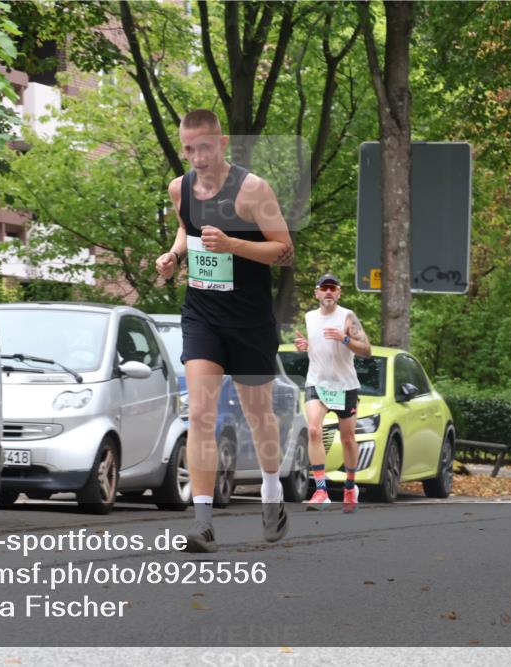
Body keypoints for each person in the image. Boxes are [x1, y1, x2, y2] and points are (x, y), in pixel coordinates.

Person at [155, 109, 295, 552]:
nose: (196, 157)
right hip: (202, 314)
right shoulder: (180, 189)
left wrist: (233, 244)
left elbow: (286, 252)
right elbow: (186, 231)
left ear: (224, 143)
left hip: (250, 321)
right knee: (200, 412)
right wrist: (174, 256)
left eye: (205, 147)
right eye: (189, 148)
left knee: (259, 417)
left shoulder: (254, 190)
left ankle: (271, 491)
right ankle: (202, 522)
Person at [293, 273, 372, 513]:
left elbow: (366, 350)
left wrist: (345, 338)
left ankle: (350, 486)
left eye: (333, 288)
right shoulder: (309, 317)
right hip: (317, 382)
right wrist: (307, 346)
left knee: (347, 438)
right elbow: (319, 346)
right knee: (315, 430)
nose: (328, 292)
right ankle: (320, 491)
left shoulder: (348, 317)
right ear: (316, 293)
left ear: (338, 293)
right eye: (323, 288)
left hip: (344, 386)